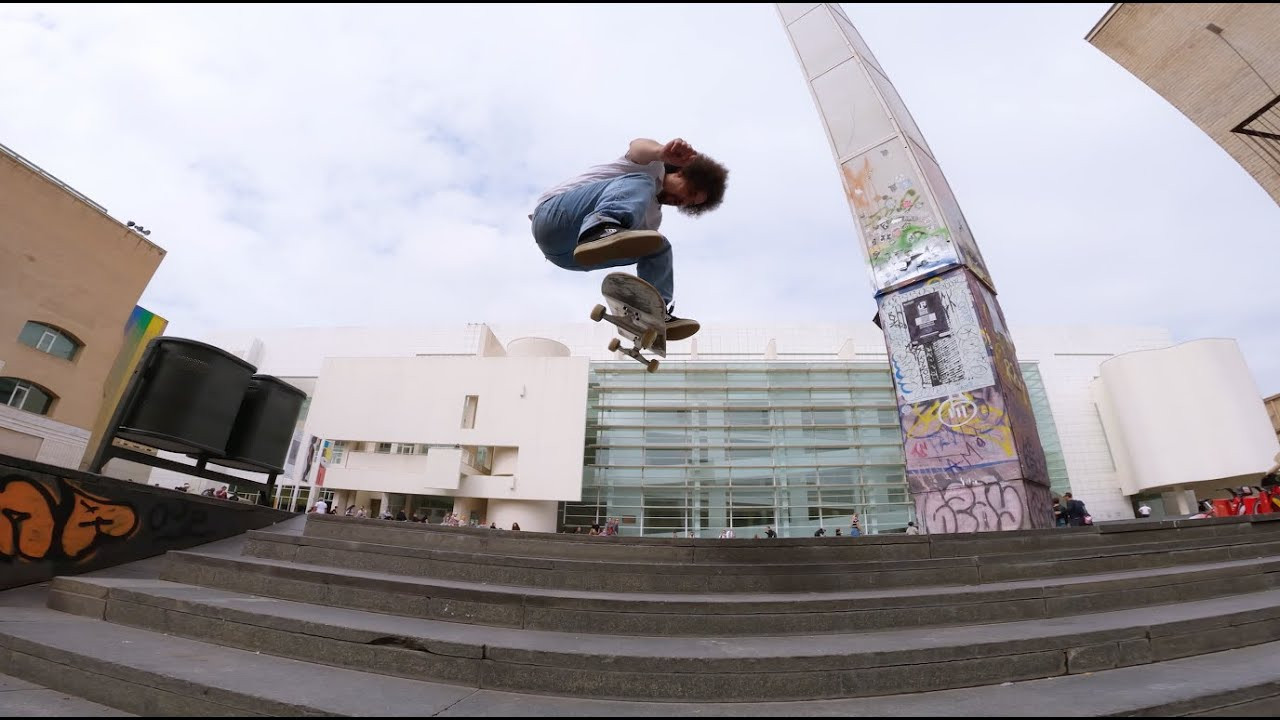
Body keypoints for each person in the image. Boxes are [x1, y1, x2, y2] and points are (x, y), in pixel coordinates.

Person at [530, 137, 729, 341]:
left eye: (691, 203)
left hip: (570, 256)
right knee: (643, 182)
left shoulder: (653, 219)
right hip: (553, 217)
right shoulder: (650, 168)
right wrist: (661, 152)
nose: (684, 201)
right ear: (681, 172)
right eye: (691, 192)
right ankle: (602, 227)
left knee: (658, 245)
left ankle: (651, 312)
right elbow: (637, 147)